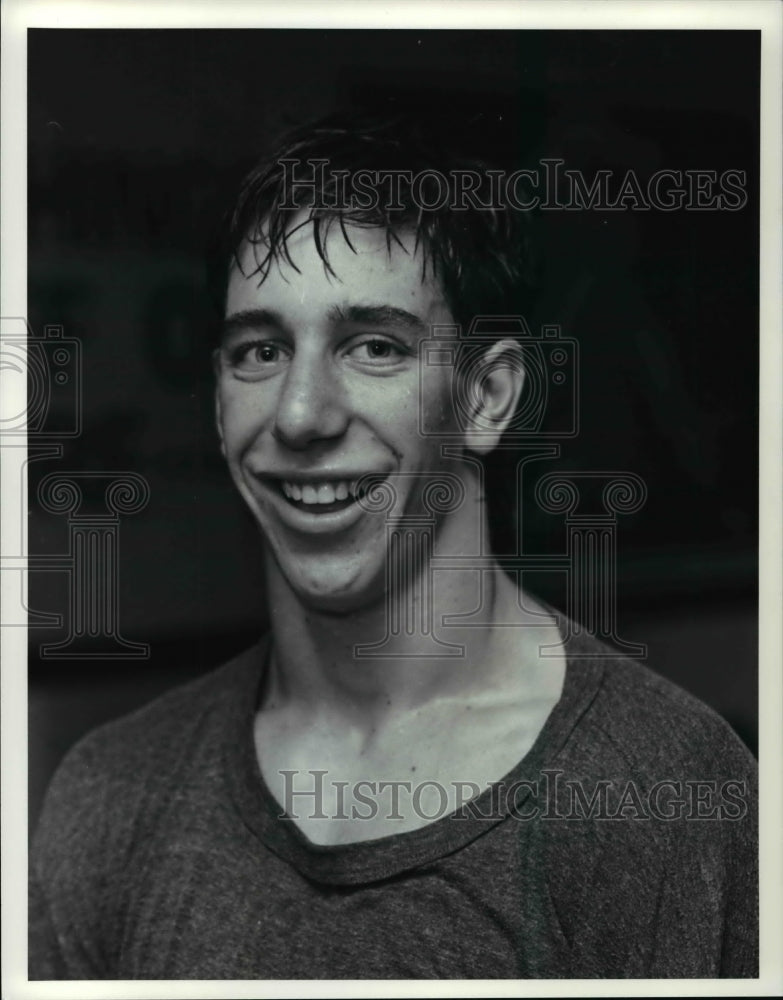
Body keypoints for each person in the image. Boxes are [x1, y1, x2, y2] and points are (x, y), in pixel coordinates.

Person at [29, 111, 758, 980]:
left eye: (374, 347)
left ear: (486, 398)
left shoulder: (654, 793)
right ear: (219, 402)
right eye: (259, 350)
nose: (300, 414)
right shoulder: (112, 793)